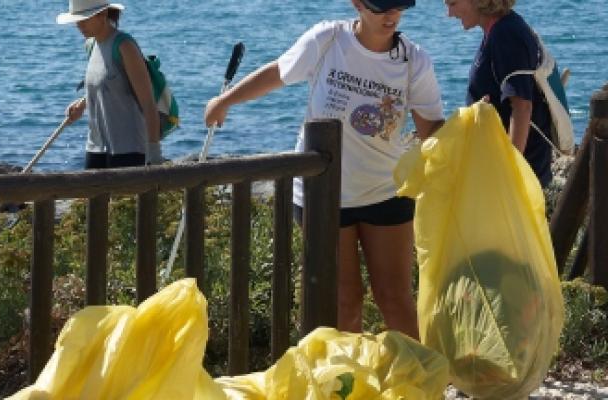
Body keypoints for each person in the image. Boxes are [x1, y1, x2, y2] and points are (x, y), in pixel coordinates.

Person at [204, 0, 445, 339]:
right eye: (381, 7)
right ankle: (346, 385)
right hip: (322, 194)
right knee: (344, 302)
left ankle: (421, 386)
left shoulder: (414, 61)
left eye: (399, 6)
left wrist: (474, 131)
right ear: (358, 4)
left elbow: (431, 129)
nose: (391, 15)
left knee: (395, 300)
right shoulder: (328, 39)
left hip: (385, 190)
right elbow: (279, 71)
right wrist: (225, 100)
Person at [445, 0, 553, 187]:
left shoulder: (506, 34)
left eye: (452, 3)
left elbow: (522, 107)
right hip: (498, 166)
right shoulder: (497, 30)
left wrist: (510, 173)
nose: (449, 13)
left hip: (517, 174)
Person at [57, 0, 162, 169]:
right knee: (92, 194)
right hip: (96, 146)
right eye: (76, 20)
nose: (79, 25)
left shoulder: (125, 46)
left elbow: (148, 103)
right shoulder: (91, 45)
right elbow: (107, 83)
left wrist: (154, 153)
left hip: (128, 149)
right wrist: (83, 104)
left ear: (103, 15)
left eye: (84, 19)